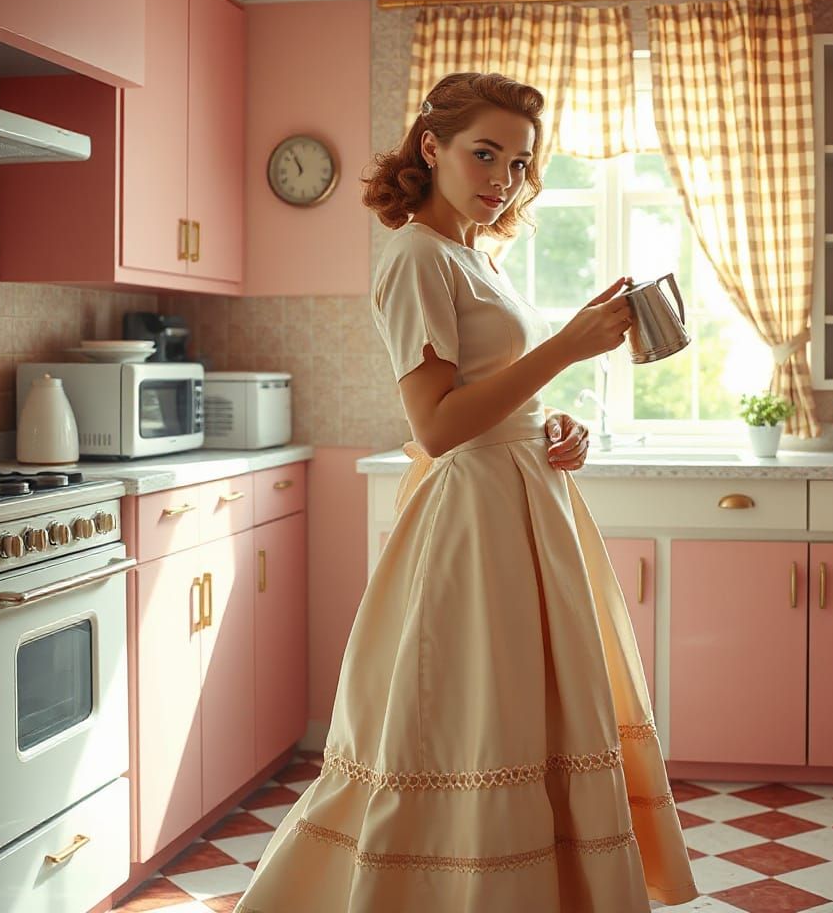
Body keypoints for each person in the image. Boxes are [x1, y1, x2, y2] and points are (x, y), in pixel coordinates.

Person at [235, 72, 697, 912]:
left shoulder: (470, 256)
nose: (502, 178)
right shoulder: (415, 254)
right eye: (485, 154)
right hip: (475, 519)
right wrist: (566, 347)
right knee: (465, 725)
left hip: (522, 506)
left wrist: (555, 425)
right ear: (431, 147)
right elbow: (439, 425)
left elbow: (493, 392)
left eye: (519, 164)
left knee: (524, 718)